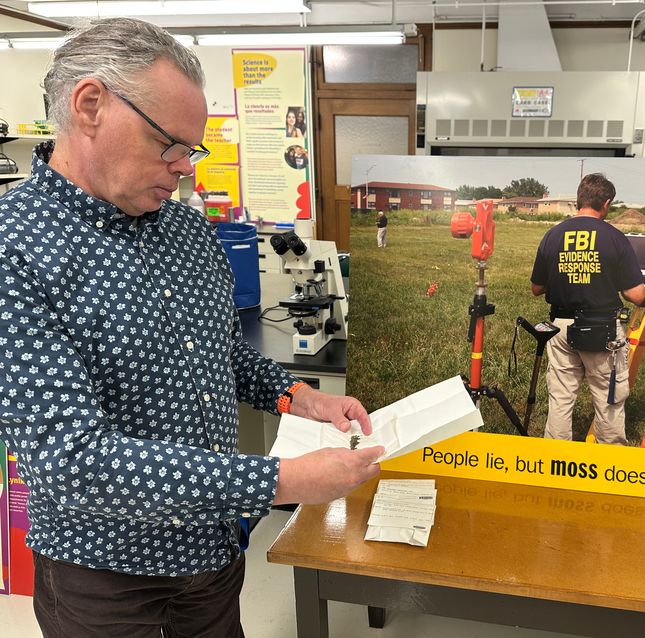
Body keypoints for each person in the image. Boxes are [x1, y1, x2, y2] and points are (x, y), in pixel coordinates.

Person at [0, 18, 382, 638]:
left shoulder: (184, 231)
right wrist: (281, 481)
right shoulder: (15, 247)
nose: (184, 168)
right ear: (90, 104)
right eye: (168, 144)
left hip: (210, 554)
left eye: (192, 149)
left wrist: (299, 398)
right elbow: (69, 460)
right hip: (104, 574)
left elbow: (222, 353)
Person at [530, 173, 645, 445]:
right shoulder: (615, 238)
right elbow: (636, 295)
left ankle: (556, 459)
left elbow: (537, 287)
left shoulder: (552, 235)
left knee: (560, 397)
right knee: (609, 398)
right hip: (602, 330)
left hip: (559, 328)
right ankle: (608, 460)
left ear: (579, 201)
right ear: (606, 203)